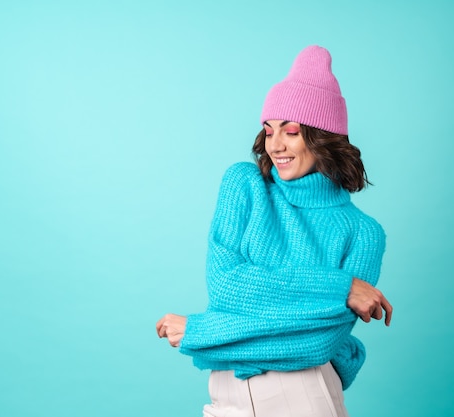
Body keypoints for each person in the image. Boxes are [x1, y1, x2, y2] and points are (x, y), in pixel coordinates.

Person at [156, 45, 393, 417]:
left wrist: (203, 333)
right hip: (227, 399)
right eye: (269, 131)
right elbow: (227, 286)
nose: (276, 145)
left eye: (292, 131)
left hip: (304, 396)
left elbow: (319, 342)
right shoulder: (245, 185)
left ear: (322, 136)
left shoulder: (364, 233)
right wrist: (340, 288)